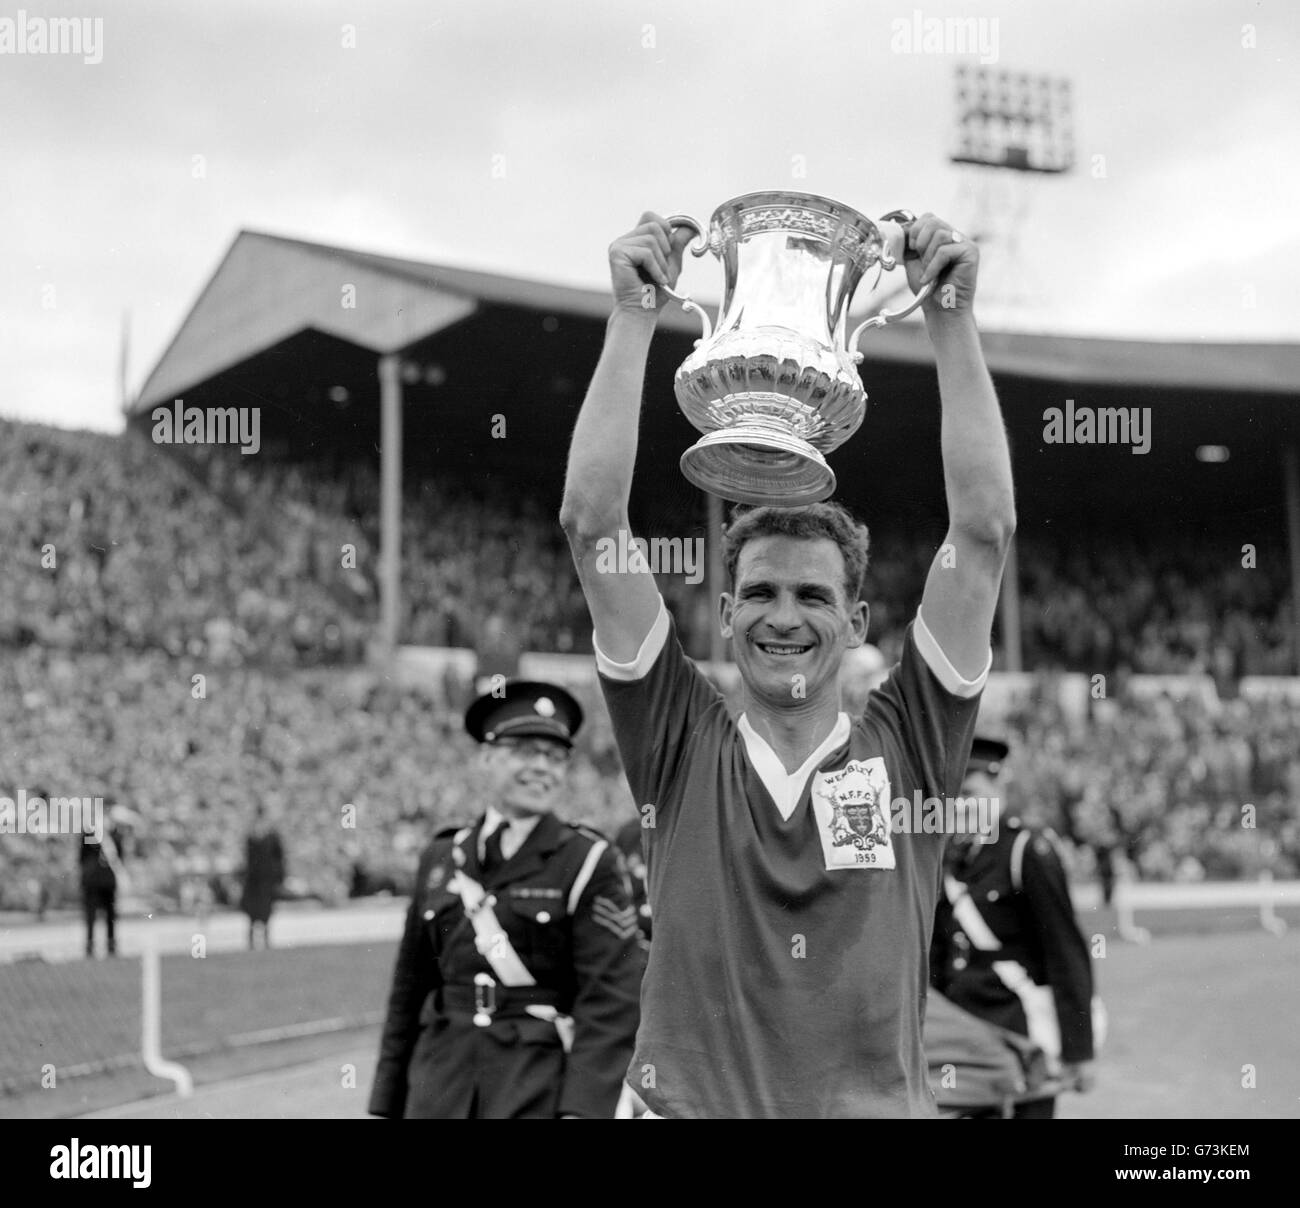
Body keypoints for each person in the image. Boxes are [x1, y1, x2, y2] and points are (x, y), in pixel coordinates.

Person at [560, 210, 1015, 1117]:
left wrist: (952, 320)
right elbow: (591, 524)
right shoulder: (679, 736)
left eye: (813, 598)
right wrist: (632, 317)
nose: (784, 616)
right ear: (725, 615)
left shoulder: (911, 744)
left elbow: (984, 531)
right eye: (761, 593)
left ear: (854, 619)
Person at [368, 680, 642, 1119]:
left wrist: (583, 1111)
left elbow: (610, 1002)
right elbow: (409, 990)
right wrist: (384, 1105)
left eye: (554, 758)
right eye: (525, 752)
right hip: (440, 1084)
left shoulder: (589, 861)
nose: (542, 768)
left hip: (535, 1087)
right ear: (486, 758)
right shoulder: (443, 856)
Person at [929, 737, 1097, 1118]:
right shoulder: (950, 860)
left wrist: (1079, 1051)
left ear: (998, 788)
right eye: (954, 796)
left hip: (1019, 1033)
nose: (961, 806)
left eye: (971, 793)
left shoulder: (1027, 850)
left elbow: (1066, 951)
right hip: (963, 1041)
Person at [240, 803, 285, 949]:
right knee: (253, 915)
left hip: (266, 881)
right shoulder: (254, 835)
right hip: (255, 882)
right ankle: (252, 942)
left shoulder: (271, 835)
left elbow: (279, 858)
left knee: (265, 914)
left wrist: (278, 877)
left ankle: (265, 941)